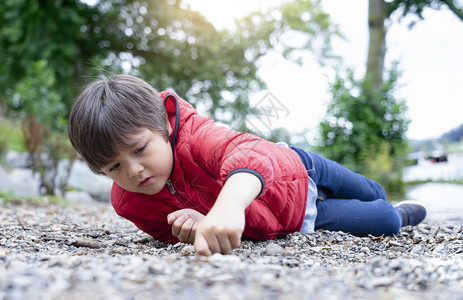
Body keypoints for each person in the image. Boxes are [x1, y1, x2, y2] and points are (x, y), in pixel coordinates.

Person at [68, 74, 426, 256]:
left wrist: (227, 206)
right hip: (297, 218)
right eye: (114, 167)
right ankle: (402, 212)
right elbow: (167, 234)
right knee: (386, 220)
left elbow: (249, 156)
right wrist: (193, 228)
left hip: (298, 169)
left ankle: (379, 192)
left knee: (371, 190)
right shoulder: (129, 202)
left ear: (164, 124)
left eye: (140, 149)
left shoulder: (197, 136)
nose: (133, 171)